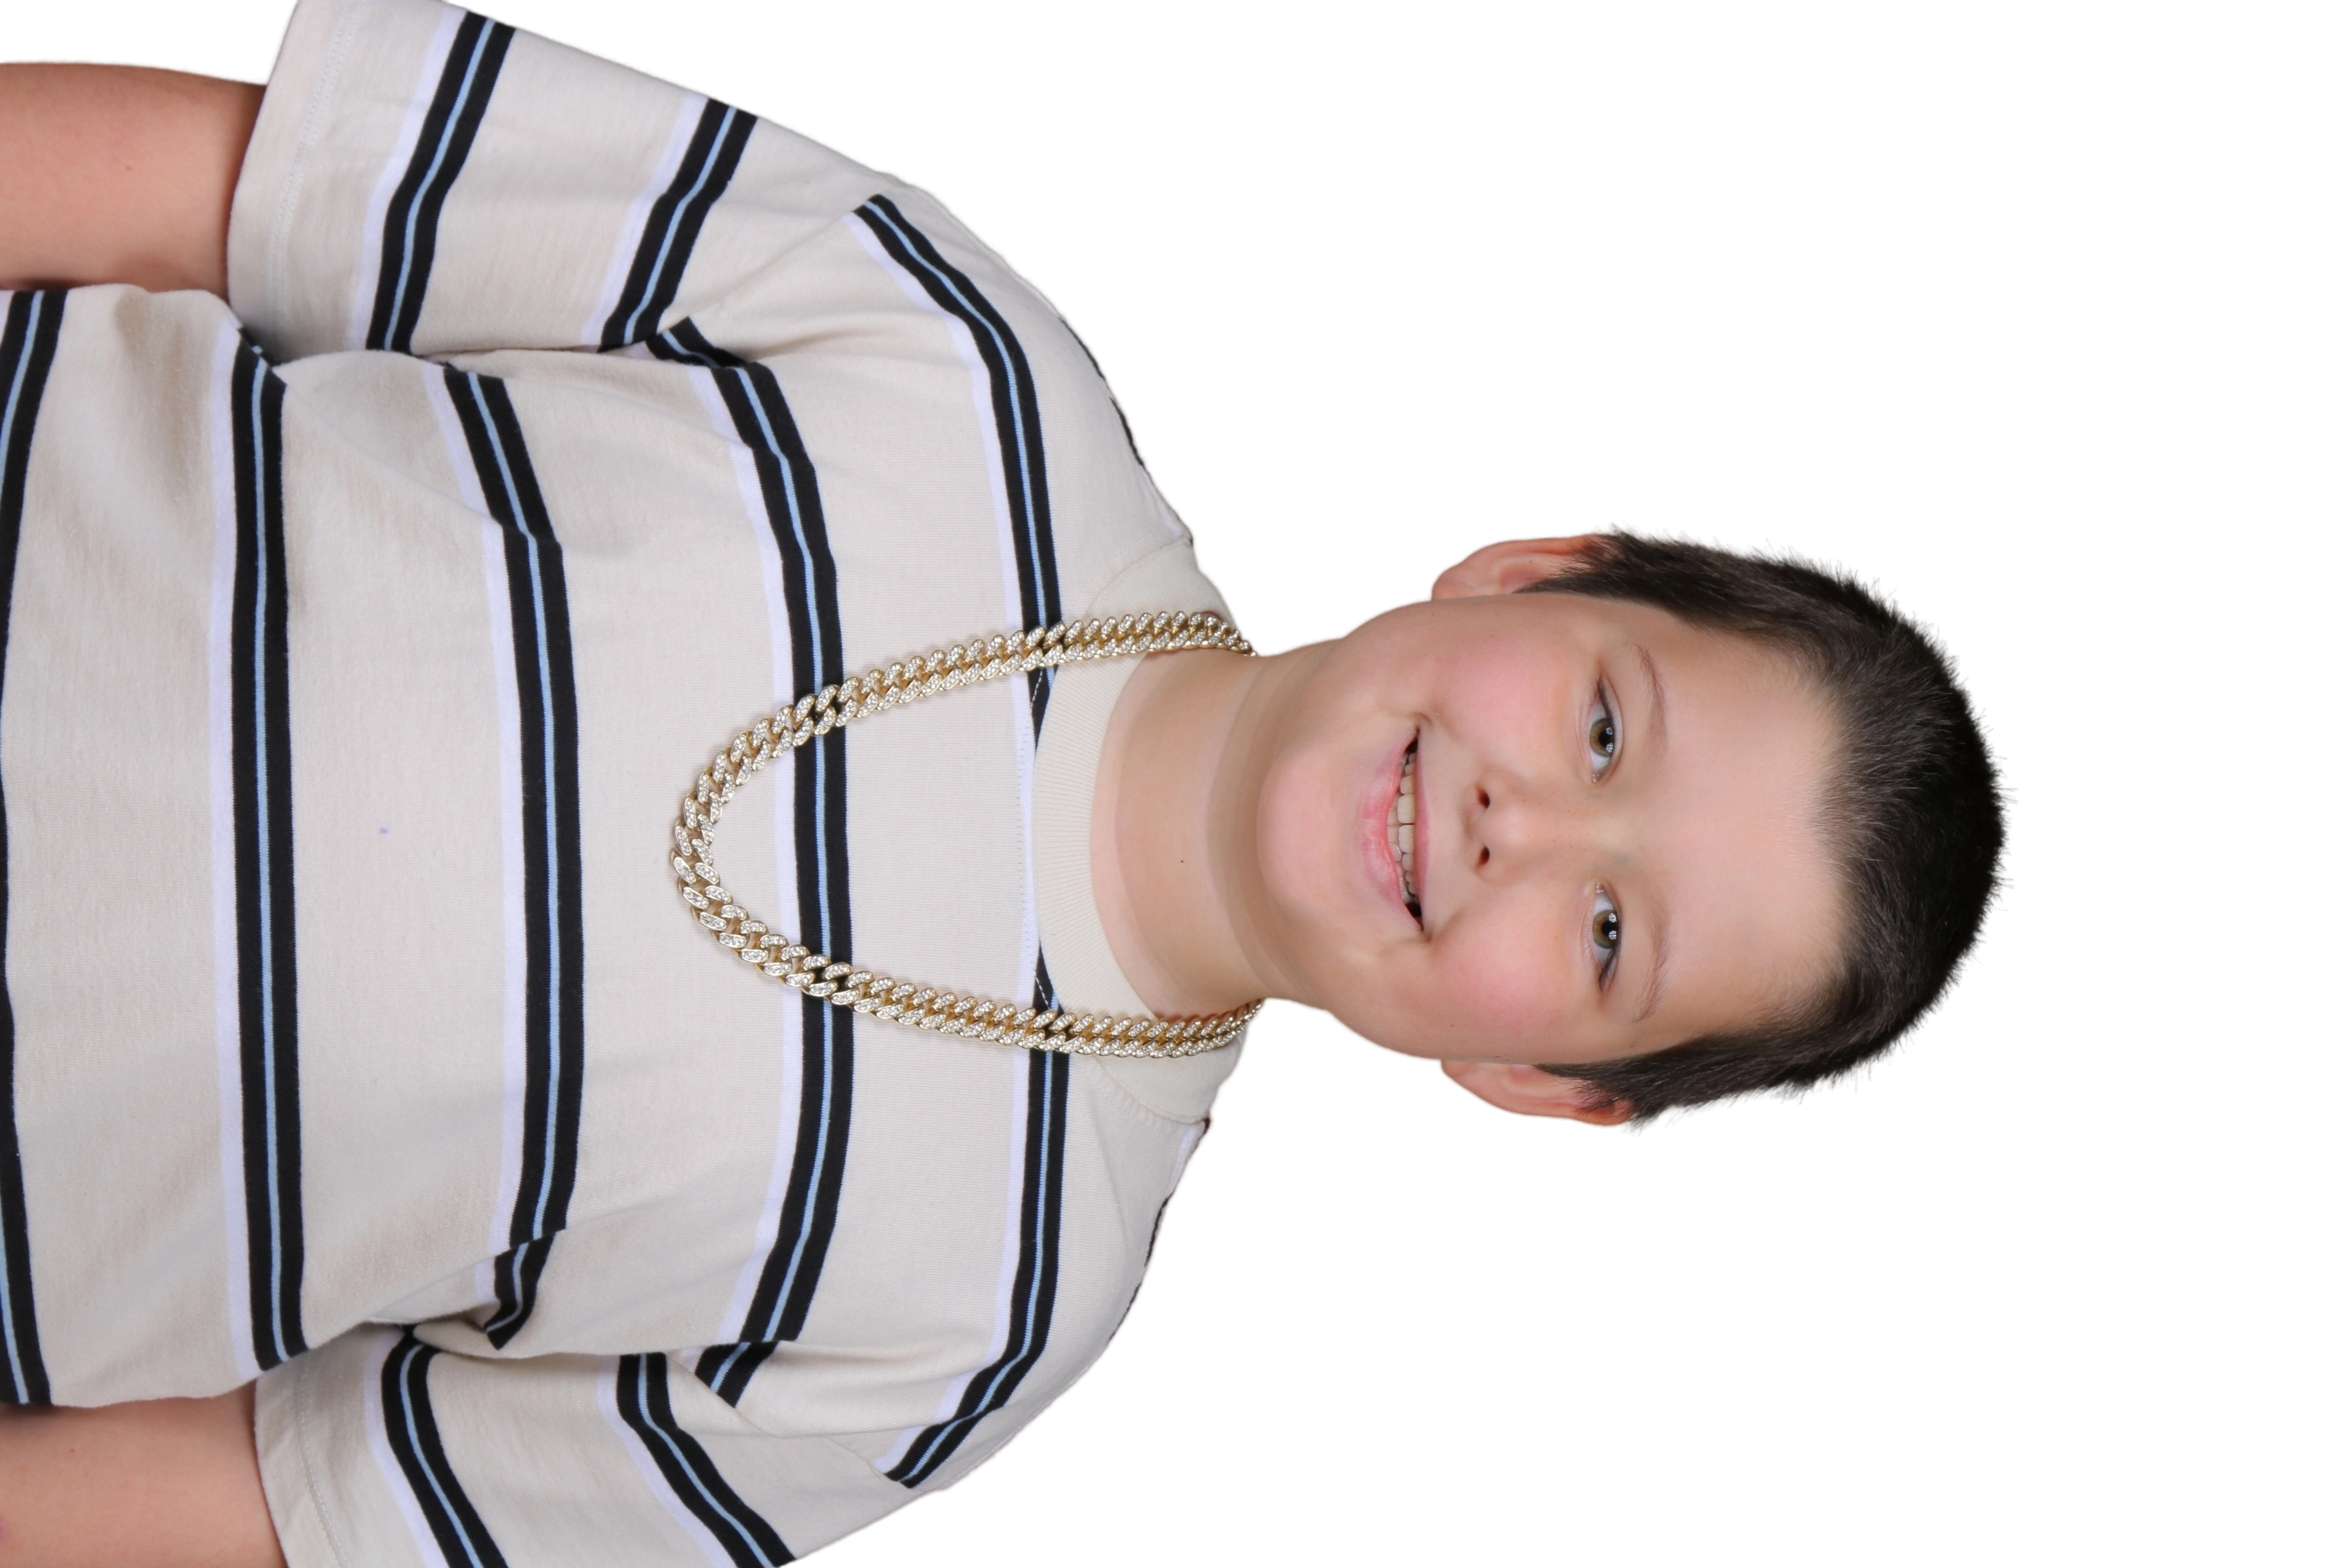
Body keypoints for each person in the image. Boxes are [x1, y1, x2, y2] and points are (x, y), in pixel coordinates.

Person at [0, 1, 2014, 1563]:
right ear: (1534, 572)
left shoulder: (974, 1327)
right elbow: (228, 189)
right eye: (1604, 728)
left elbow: (276, 1507)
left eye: (1608, 930)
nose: (1522, 828)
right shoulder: (939, 336)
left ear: (1541, 1086)